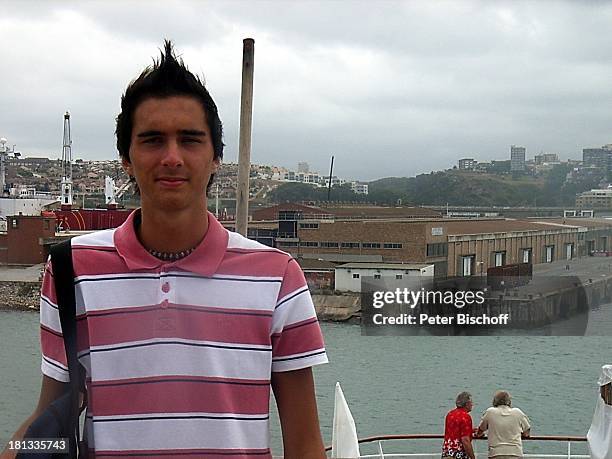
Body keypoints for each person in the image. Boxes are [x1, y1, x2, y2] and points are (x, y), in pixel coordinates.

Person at [3, 40, 328, 459]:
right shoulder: (70, 270)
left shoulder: (278, 275)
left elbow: (304, 443)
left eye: (190, 140)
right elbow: (49, 415)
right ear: (125, 158)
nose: (172, 157)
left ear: (216, 158)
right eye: (153, 140)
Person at [476, 390, 531, 459]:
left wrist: (479, 434)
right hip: (515, 452)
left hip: (496, 453)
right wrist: (522, 434)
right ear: (509, 401)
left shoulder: (490, 412)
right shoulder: (517, 412)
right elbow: (527, 431)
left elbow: (481, 430)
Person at [442, 391, 476, 459]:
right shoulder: (465, 417)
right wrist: (473, 457)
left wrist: (470, 430)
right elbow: (465, 440)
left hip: (447, 452)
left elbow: (455, 430)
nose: (472, 404)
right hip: (459, 454)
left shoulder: (450, 414)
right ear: (466, 404)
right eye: (471, 402)